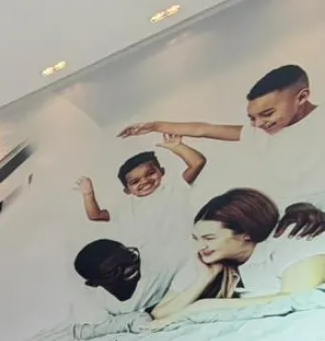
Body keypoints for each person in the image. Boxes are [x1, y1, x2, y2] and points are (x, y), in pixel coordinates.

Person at [118, 64, 325, 236]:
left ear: (301, 97)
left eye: (267, 113)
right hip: (294, 222)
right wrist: (154, 126)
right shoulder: (261, 133)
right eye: (252, 118)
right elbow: (203, 129)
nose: (258, 123)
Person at [148, 188, 325, 326]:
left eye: (210, 238)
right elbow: (160, 313)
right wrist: (204, 279)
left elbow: (298, 297)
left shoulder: (291, 236)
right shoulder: (209, 257)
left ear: (245, 234)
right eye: (196, 238)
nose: (200, 246)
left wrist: (203, 307)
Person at [75, 139, 205, 225]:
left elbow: (198, 162)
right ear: (127, 190)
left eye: (150, 173)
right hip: (151, 258)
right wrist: (88, 194)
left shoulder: (174, 188)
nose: (145, 181)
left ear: (162, 171)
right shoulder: (127, 208)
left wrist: (177, 147)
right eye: (135, 181)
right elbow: (96, 215)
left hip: (189, 253)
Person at [72, 238, 184, 313]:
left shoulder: (161, 271)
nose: (130, 268)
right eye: (115, 271)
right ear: (93, 283)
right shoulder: (93, 305)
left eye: (131, 257)